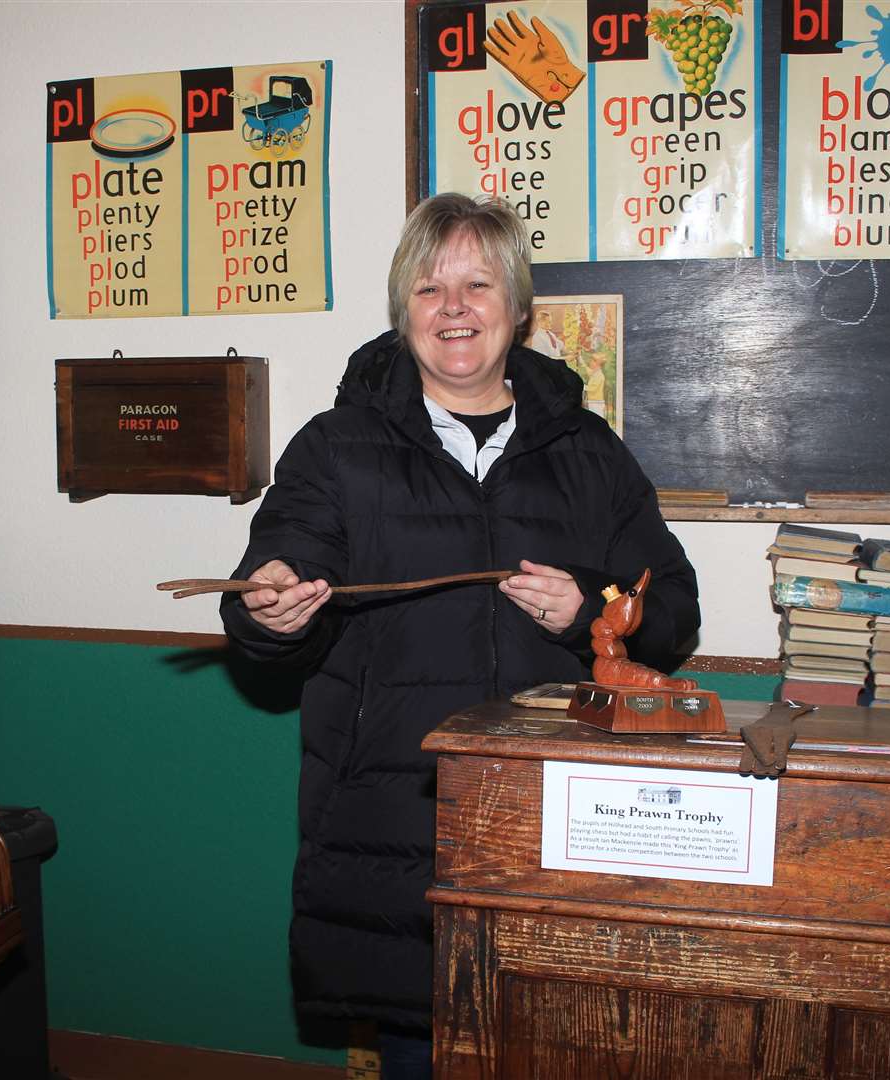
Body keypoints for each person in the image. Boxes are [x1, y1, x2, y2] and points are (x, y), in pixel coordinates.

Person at [219, 193, 699, 1077]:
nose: (453, 306)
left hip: (559, 807)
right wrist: (269, 605)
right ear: (403, 308)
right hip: (395, 814)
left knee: (560, 1038)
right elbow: (279, 569)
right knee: (420, 1037)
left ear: (517, 310)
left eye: (478, 284)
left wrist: (592, 612)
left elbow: (672, 606)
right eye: (429, 287)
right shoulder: (336, 447)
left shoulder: (588, 451)